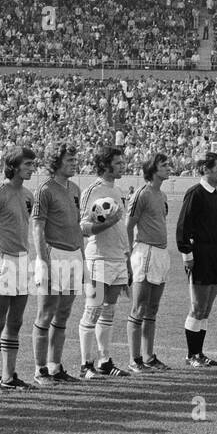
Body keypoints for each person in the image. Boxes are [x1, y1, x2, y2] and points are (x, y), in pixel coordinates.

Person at [0, 146, 37, 392]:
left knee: (15, 322)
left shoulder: (28, 195)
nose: (31, 169)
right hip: (3, 260)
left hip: (23, 260)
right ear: (13, 166)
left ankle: (9, 375)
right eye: (27, 165)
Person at [31, 144, 85, 386]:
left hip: (74, 255)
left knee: (63, 313)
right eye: (70, 159)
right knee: (45, 313)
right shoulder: (44, 190)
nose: (74, 163)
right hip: (54, 254)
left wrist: (82, 257)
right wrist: (43, 260)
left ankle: (55, 366)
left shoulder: (75, 189)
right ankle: (40, 369)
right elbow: (37, 227)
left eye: (75, 159)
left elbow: (77, 226)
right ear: (56, 162)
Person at [78, 145, 133, 378]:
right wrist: (108, 223)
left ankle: (105, 361)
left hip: (118, 258)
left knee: (109, 310)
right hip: (99, 259)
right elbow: (83, 227)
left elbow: (121, 226)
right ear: (106, 165)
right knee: (93, 309)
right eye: (119, 163)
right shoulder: (93, 190)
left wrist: (127, 257)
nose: (123, 166)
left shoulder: (118, 190)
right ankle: (85, 365)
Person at [175, 151, 217, 366]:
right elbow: (182, 228)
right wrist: (187, 254)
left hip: (216, 256)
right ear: (206, 170)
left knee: (206, 308)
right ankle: (192, 355)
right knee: (198, 307)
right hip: (200, 255)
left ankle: (199, 353)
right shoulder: (195, 193)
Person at [126, 151, 173, 371]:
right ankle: (134, 359)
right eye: (164, 165)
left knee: (152, 308)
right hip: (145, 253)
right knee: (139, 307)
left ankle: (149, 356)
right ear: (153, 169)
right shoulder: (142, 194)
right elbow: (129, 225)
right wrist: (127, 257)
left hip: (161, 254)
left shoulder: (162, 195)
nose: (168, 168)